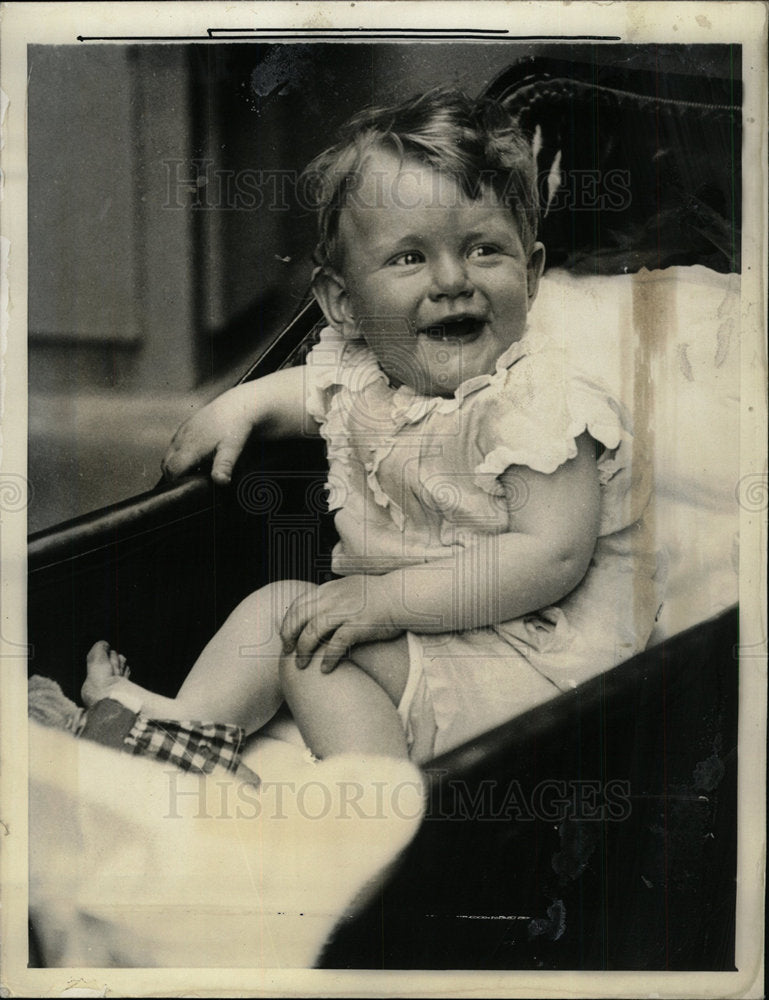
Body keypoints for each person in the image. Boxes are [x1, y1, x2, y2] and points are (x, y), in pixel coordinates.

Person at [81, 89, 662, 767]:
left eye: (483, 251)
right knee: (282, 613)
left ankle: (366, 812)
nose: (451, 280)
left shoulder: (538, 403)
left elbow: (549, 557)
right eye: (409, 258)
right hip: (421, 633)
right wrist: (241, 404)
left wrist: (385, 602)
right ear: (343, 303)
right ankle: (171, 740)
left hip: (532, 670)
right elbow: (321, 394)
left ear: (530, 273)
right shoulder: (377, 373)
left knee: (313, 650)